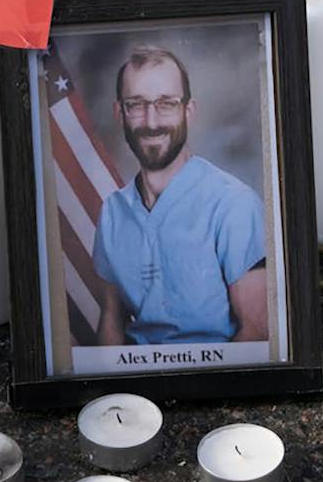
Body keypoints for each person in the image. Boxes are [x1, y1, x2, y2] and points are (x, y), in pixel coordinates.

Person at [91, 46, 269, 346]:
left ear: (189, 111)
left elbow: (257, 331)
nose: (151, 121)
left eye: (166, 104)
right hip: (137, 382)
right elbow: (111, 319)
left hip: (214, 377)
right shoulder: (112, 212)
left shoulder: (234, 205)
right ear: (119, 112)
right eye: (136, 104)